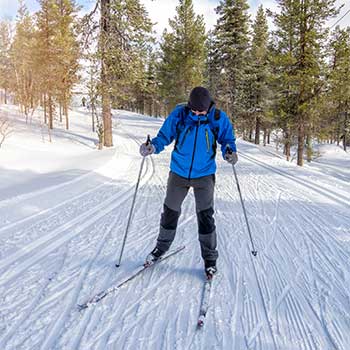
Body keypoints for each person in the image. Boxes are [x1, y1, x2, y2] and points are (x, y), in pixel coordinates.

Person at [139, 86, 238, 278]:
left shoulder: (217, 118)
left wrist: (229, 152)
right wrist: (152, 147)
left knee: (205, 217)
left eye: (201, 111)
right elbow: (164, 136)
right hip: (179, 173)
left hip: (204, 175)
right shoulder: (180, 114)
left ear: (208, 106)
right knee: (170, 211)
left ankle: (210, 260)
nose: (197, 113)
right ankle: (160, 249)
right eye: (194, 110)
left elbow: (228, 139)